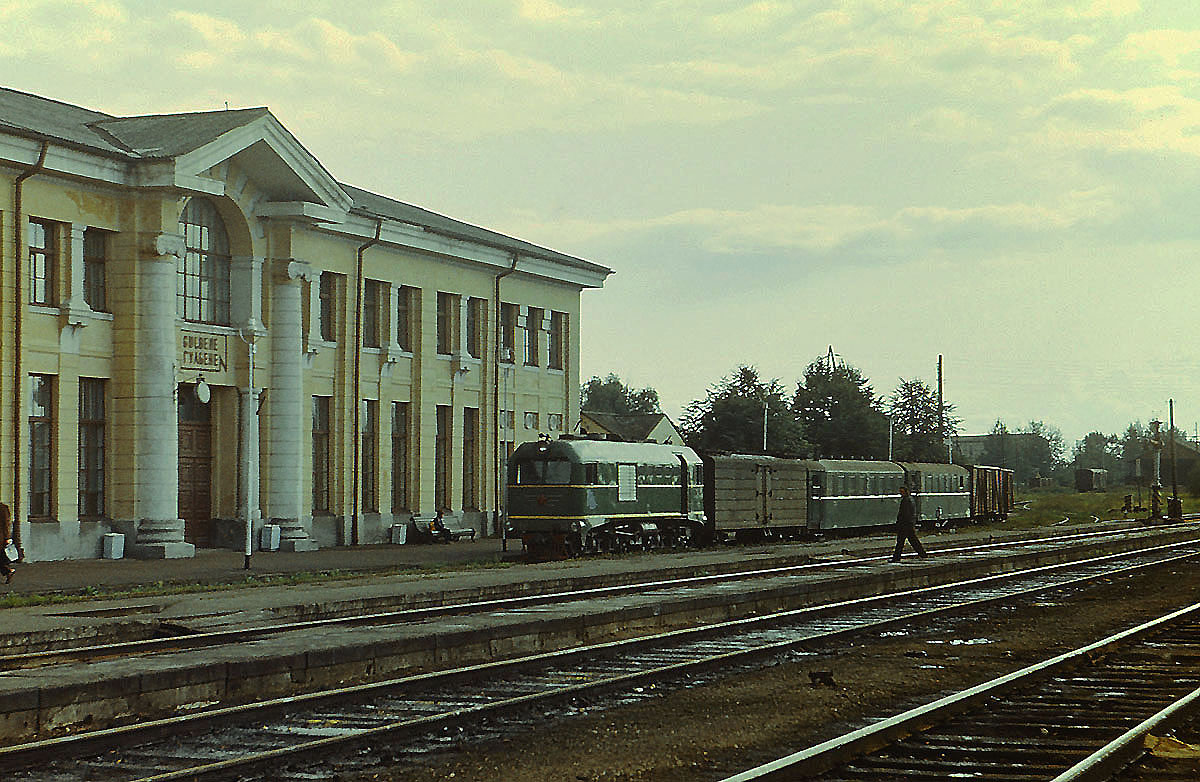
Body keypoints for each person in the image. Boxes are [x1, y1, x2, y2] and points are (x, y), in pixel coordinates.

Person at [892, 486, 927, 562]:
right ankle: (923, 554)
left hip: (905, 524)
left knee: (901, 542)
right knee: (912, 541)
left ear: (905, 491)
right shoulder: (910, 499)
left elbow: (905, 514)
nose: (901, 493)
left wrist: (900, 522)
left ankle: (896, 558)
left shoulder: (906, 500)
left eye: (902, 492)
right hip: (908, 524)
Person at [1, 502, 15, 584]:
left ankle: (8, 571)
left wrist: (7, 537)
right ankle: (8, 571)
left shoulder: (3, 508)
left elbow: (6, 524)